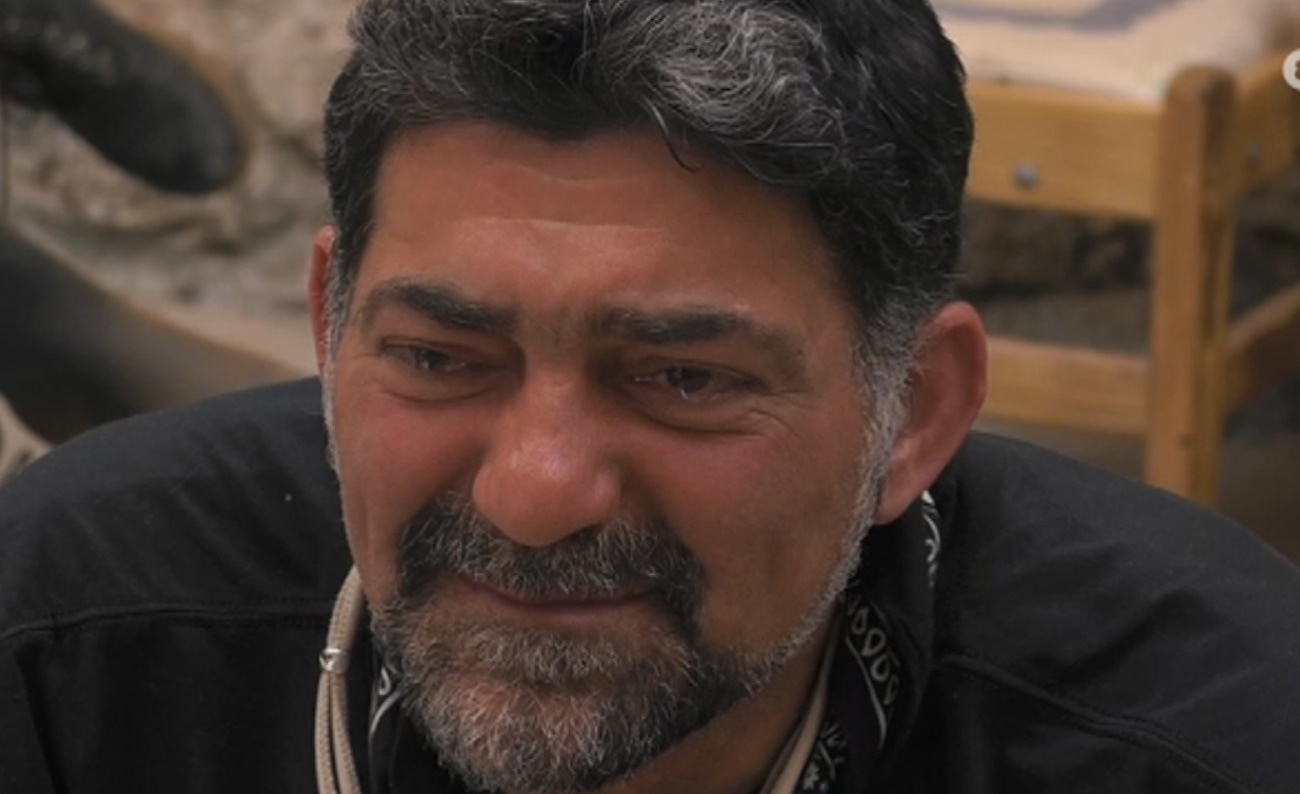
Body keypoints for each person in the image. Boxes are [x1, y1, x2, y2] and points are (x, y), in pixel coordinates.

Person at [2, 1, 1299, 792]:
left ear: (913, 412)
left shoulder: (1213, 739)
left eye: (684, 378)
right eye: (441, 357)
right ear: (330, 326)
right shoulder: (72, 650)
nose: (535, 494)